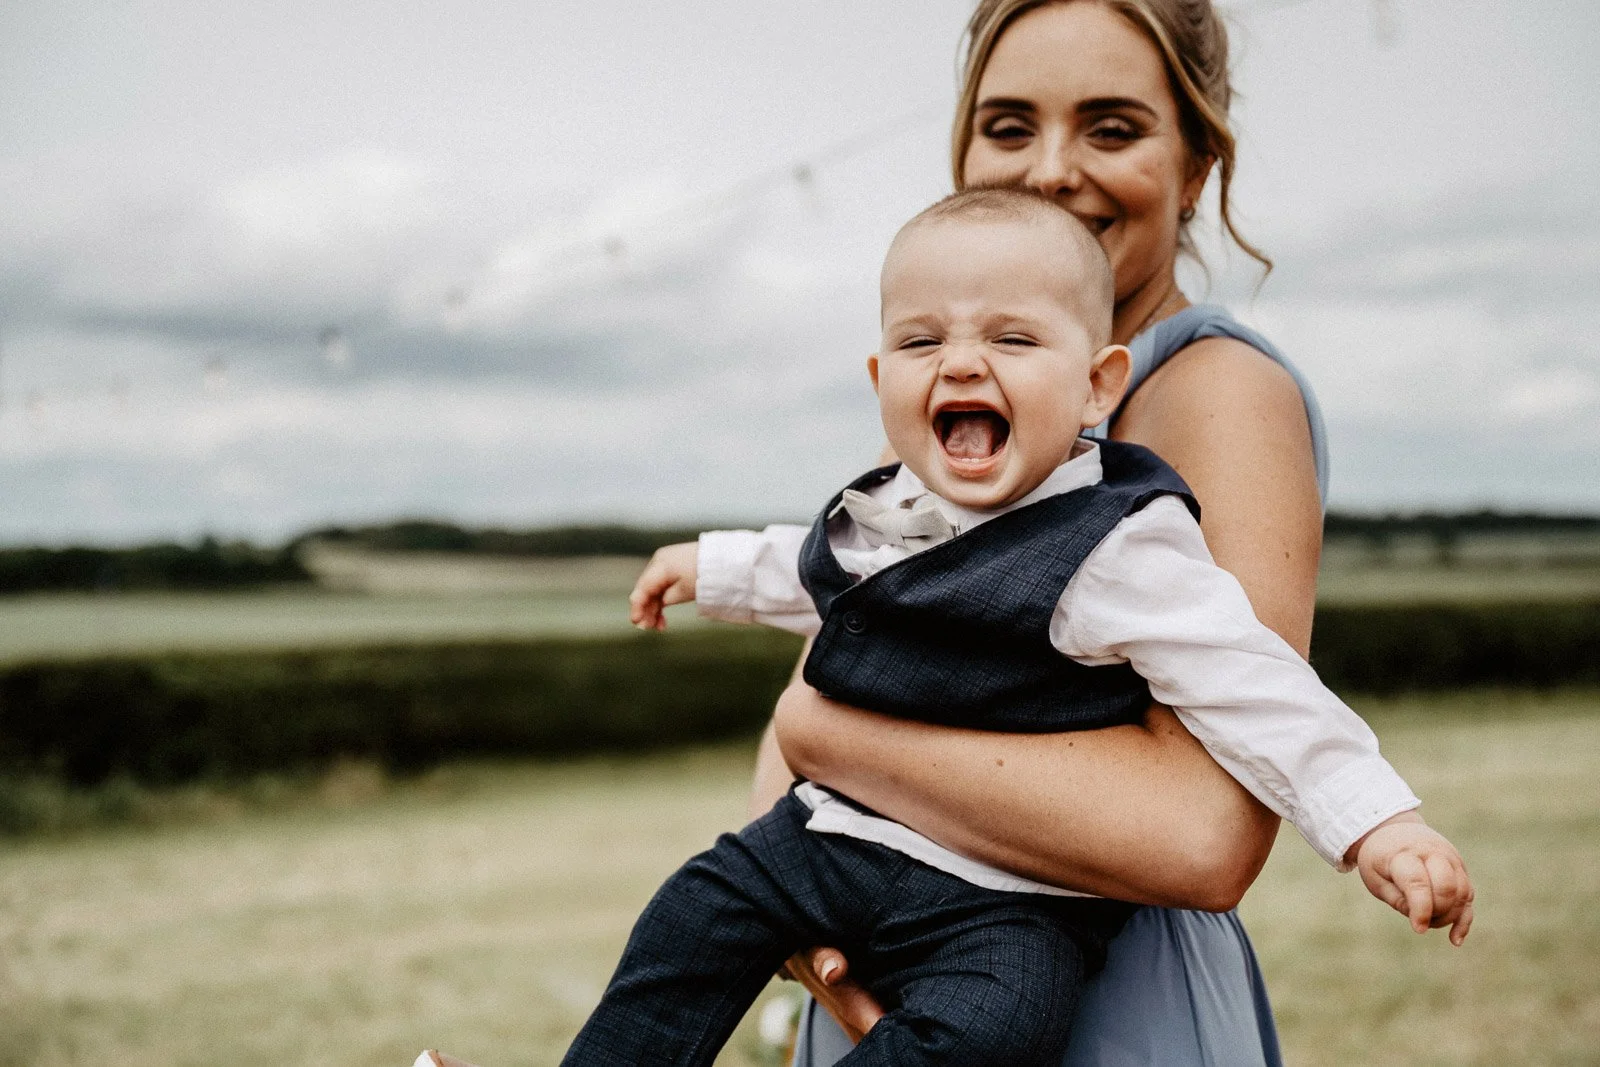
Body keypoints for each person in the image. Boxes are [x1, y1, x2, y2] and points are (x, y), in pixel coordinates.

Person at [558, 189, 1468, 1067]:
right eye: (921, 341)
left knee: (1000, 1028)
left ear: (1094, 386)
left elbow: (1251, 681)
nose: (958, 362)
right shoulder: (897, 505)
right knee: (698, 908)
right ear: (882, 381)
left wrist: (1377, 824)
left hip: (1011, 902)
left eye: (1012, 339)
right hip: (836, 844)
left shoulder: (1115, 543)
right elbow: (822, 578)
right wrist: (708, 568)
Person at [752, 2, 1476, 1064]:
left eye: (1110, 127)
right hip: (894, 991)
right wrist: (816, 949)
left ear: (1195, 166)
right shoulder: (978, 401)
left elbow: (1204, 830)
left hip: (1099, 1011)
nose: (1049, 171)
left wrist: (821, 734)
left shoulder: (1213, 388)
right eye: (1007, 127)